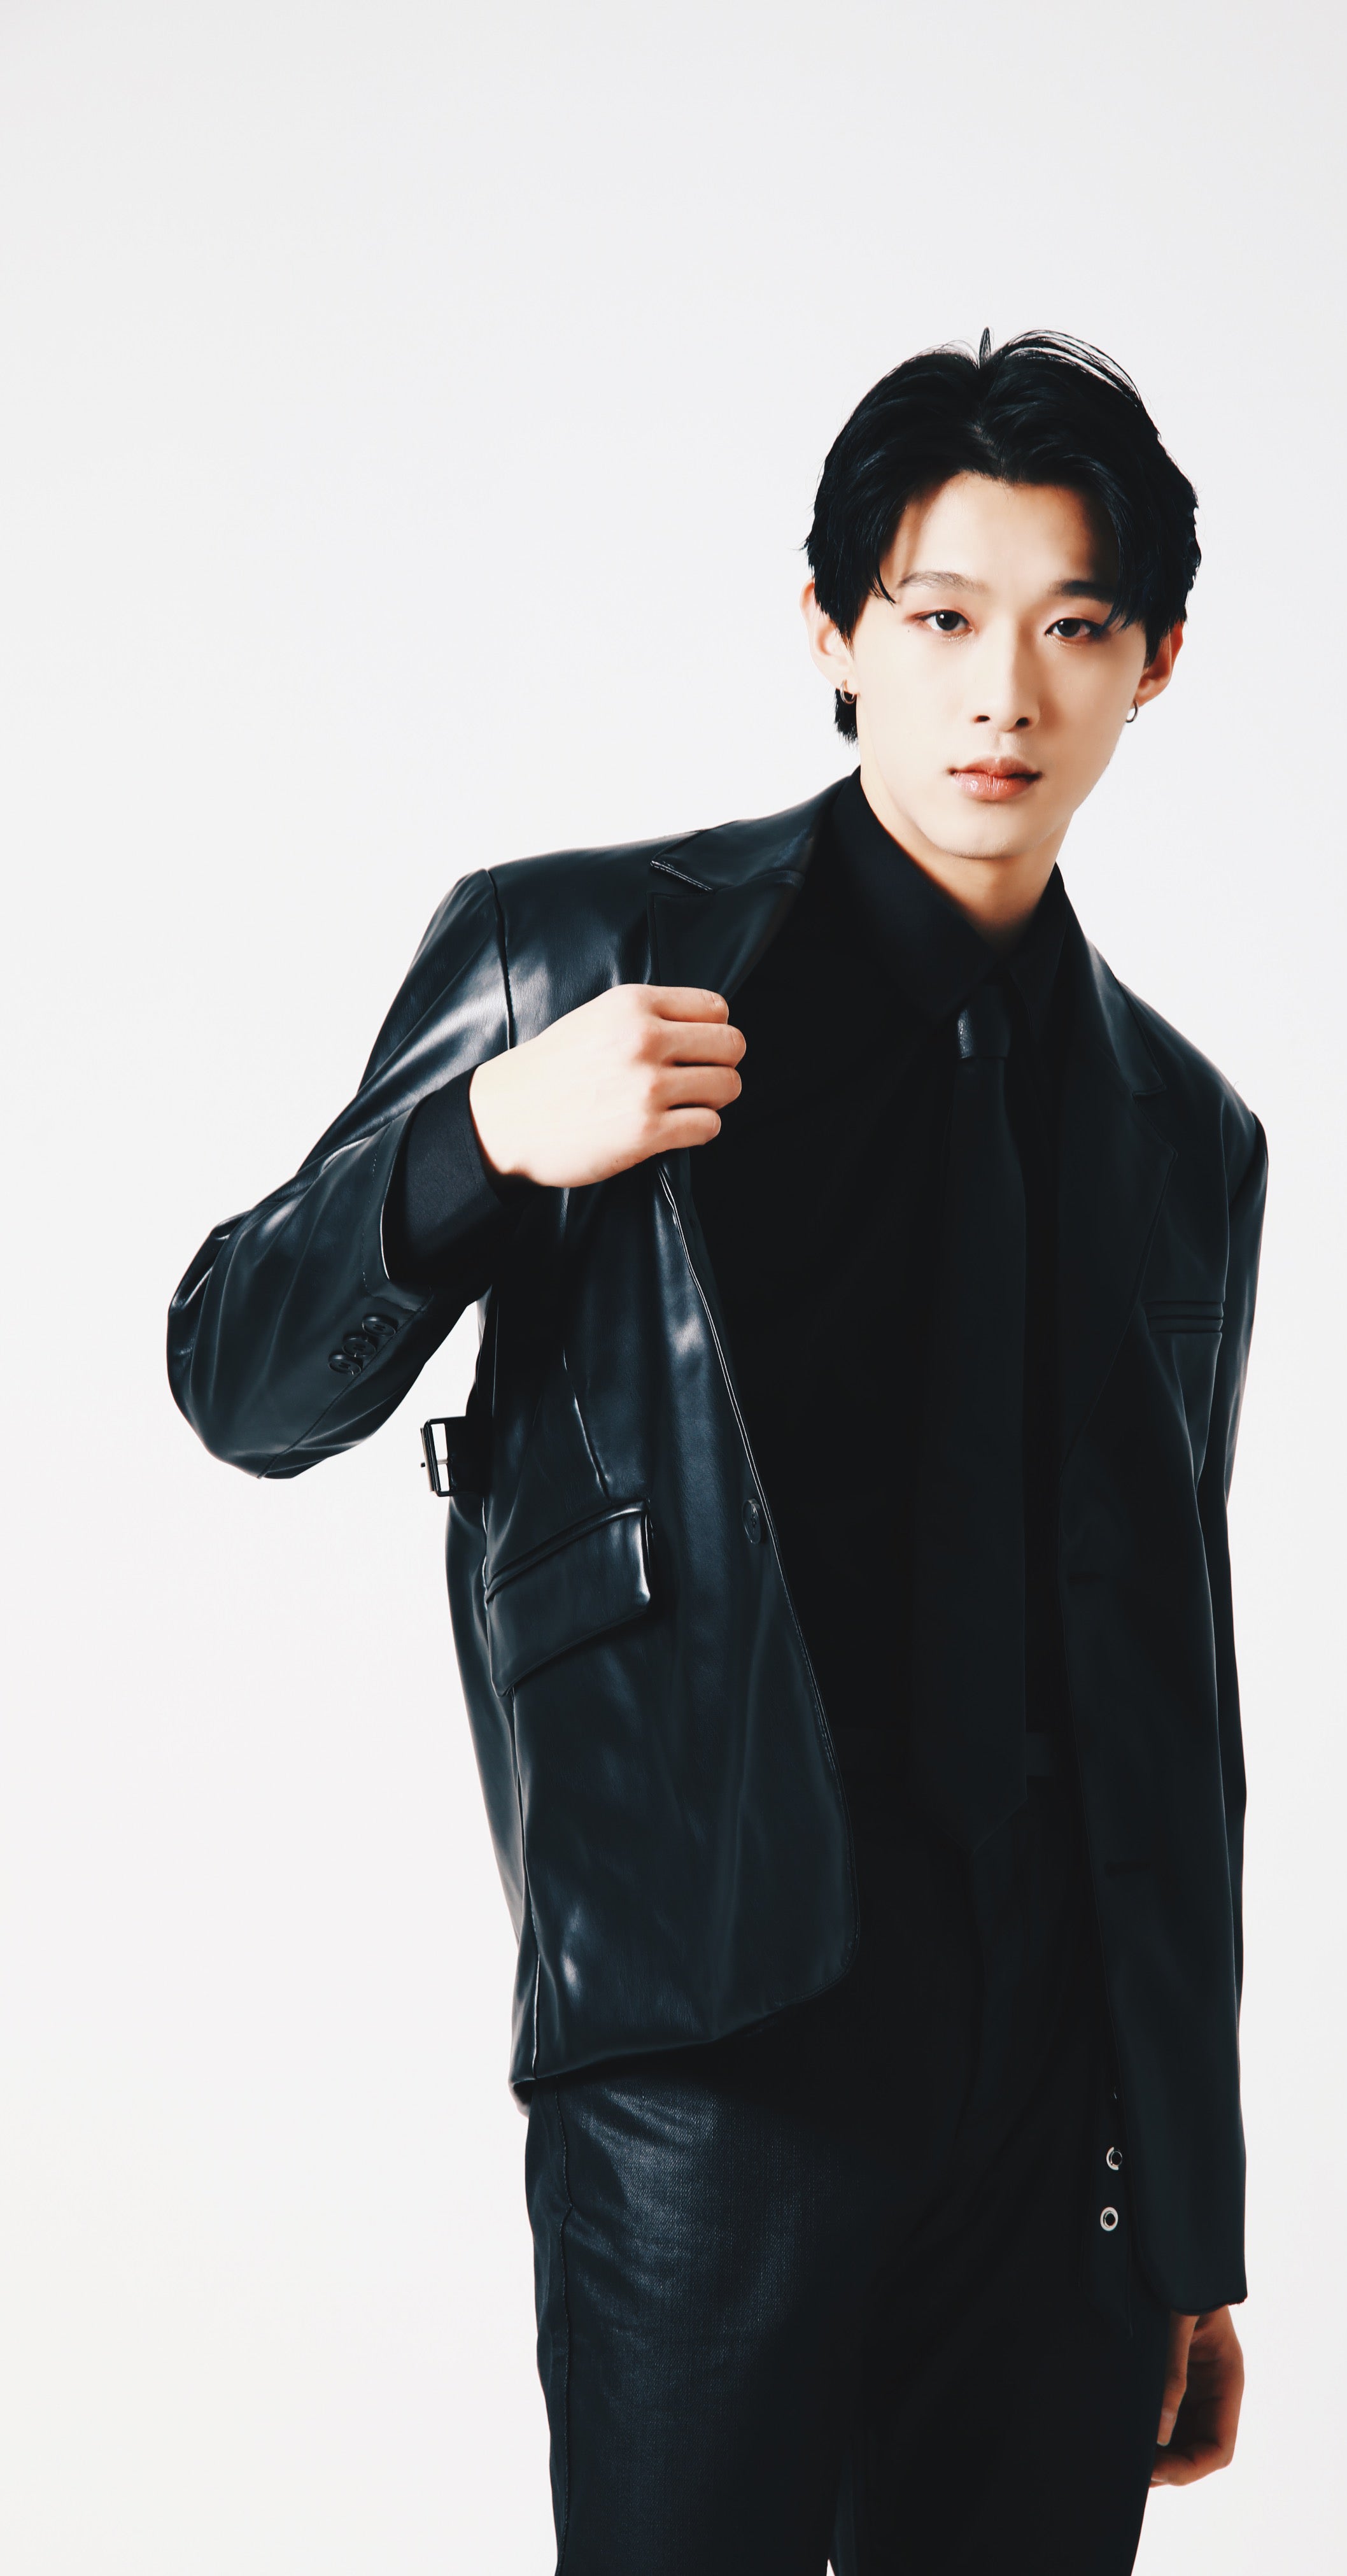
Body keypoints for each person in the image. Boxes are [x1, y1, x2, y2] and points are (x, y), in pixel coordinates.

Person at [169, 329, 1264, 2575]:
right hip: (708, 2053)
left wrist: (1188, 2210)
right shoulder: (582, 955)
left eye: (1073, 629)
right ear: (835, 637)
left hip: (1057, 2118)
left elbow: (1172, 1685)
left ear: (1154, 668)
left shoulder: (1187, 1134)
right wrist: (485, 1137)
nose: (1001, 695)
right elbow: (237, 1375)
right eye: (940, 618)